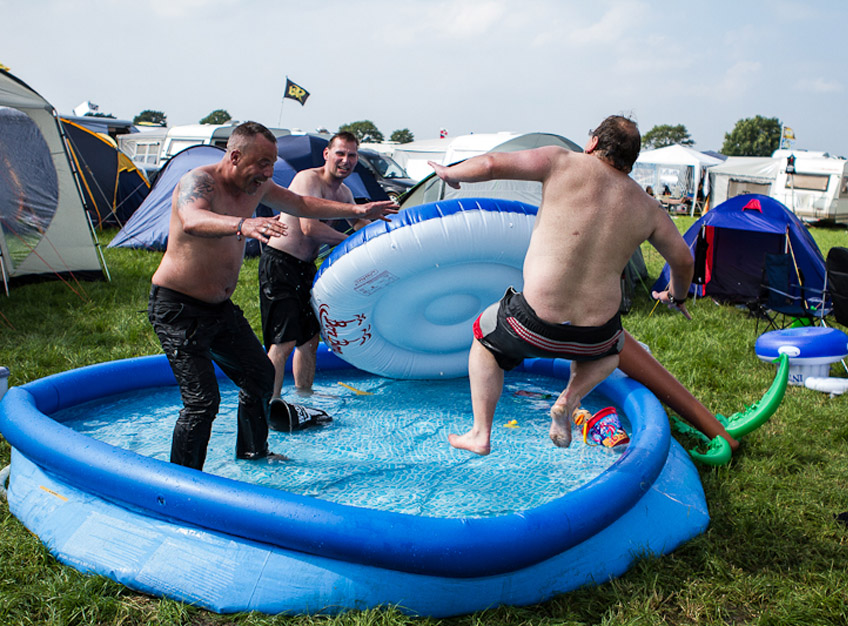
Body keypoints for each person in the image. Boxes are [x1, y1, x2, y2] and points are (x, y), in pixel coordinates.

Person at [430, 115, 734, 455]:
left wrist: (449, 173)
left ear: (592, 143)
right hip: (595, 337)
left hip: (533, 324)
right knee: (613, 352)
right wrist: (676, 295)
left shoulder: (561, 161)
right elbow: (684, 261)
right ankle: (569, 398)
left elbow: (489, 164)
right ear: (631, 162)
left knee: (484, 338)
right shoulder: (649, 208)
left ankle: (480, 433)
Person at [148, 122, 397, 470]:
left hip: (219, 308)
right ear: (235, 156)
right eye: (262, 163)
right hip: (178, 306)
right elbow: (191, 218)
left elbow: (300, 203)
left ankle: (254, 452)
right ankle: (183, 483)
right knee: (202, 402)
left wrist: (359, 211)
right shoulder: (199, 181)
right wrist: (243, 225)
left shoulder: (257, 185)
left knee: (261, 378)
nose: (268, 172)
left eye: (272, 163)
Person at [259, 132, 365, 400]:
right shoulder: (309, 179)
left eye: (352, 155)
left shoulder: (344, 192)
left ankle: (304, 394)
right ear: (326, 154)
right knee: (282, 340)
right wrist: (351, 242)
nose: (346, 160)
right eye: (340, 153)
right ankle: (270, 402)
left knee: (308, 339)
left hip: (305, 267)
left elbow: (359, 224)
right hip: (279, 263)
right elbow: (308, 227)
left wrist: (383, 234)